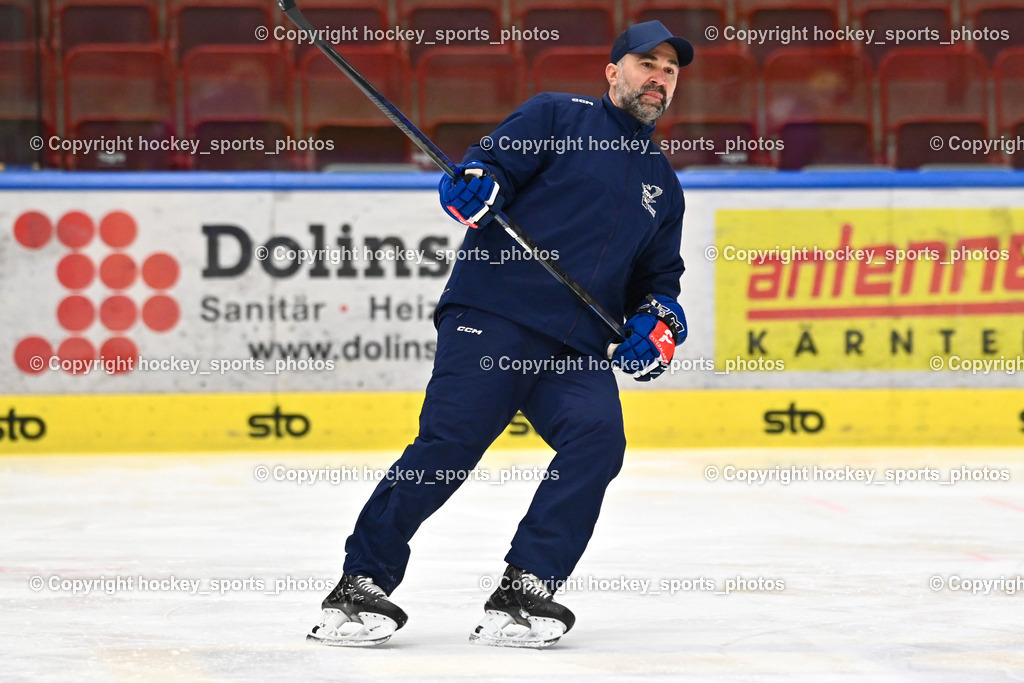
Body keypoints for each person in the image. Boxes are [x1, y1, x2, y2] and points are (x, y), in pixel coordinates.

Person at [308, 20, 693, 648]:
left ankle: (525, 588)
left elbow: (659, 278)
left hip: (574, 346)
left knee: (598, 441)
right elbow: (487, 172)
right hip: (494, 315)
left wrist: (656, 325)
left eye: (670, 70)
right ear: (612, 72)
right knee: (449, 447)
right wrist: (474, 186)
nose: (659, 78)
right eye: (646, 63)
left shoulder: (664, 185)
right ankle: (360, 585)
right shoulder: (556, 116)